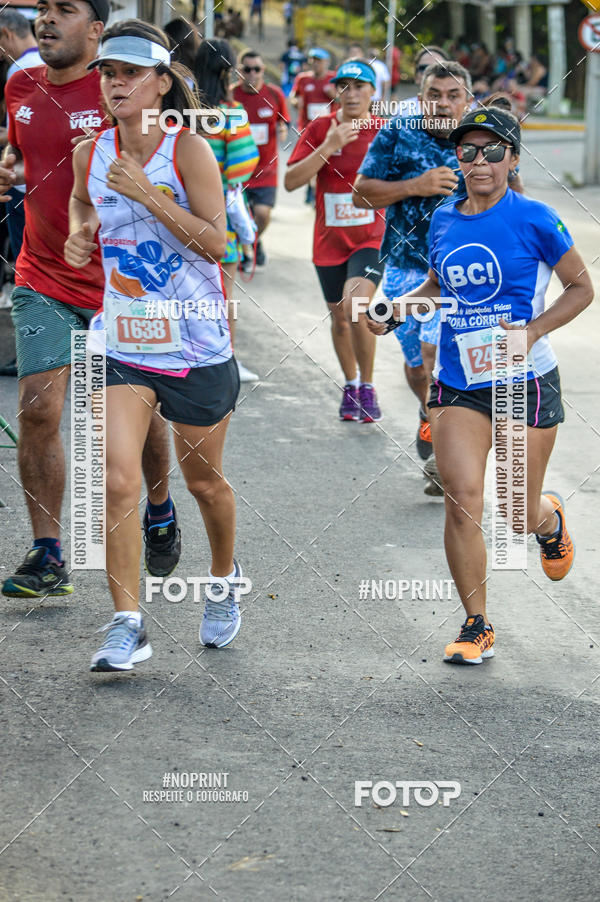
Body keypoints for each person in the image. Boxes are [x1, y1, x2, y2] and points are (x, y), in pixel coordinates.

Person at [368, 107, 593, 664]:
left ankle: (548, 520)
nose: (479, 161)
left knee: (515, 510)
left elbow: (581, 287)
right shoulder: (444, 219)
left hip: (523, 379)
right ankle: (476, 624)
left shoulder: (536, 217)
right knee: (462, 501)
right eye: (468, 150)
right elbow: (436, 287)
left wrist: (533, 329)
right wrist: (395, 311)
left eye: (493, 150)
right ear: (458, 158)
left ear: (512, 157)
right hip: (458, 380)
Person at [65, 19, 243, 670]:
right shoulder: (91, 152)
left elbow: (219, 244)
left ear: (161, 84)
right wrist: (79, 235)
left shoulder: (187, 151)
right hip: (124, 340)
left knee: (205, 484)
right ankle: (127, 622)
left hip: (195, 344)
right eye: (107, 74)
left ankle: (223, 580)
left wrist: (147, 194)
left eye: (129, 74)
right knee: (114, 481)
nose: (114, 84)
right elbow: (84, 209)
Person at [0, 0, 179, 599]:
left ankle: (159, 505)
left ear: (97, 31)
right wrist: (11, 167)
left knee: (142, 418)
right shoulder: (21, 84)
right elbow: (26, 154)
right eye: (42, 10)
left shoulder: (121, 99)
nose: (46, 20)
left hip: (122, 287)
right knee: (39, 409)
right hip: (43, 276)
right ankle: (48, 553)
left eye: (64, 10)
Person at [354, 61, 472, 491]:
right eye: (434, 95)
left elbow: (514, 194)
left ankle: (445, 460)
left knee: (435, 359)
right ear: (421, 98)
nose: (443, 103)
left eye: (453, 95)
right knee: (417, 367)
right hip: (405, 267)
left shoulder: (480, 141)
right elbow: (362, 192)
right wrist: (415, 186)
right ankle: (428, 413)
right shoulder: (397, 134)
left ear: (467, 100)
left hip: (461, 276)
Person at [285, 59, 386, 423]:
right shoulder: (321, 128)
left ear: (374, 92)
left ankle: (370, 387)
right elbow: (292, 181)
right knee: (340, 320)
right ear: (336, 91)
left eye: (360, 86)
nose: (352, 92)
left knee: (354, 306)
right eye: (345, 85)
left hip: (371, 238)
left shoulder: (384, 132)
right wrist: (328, 146)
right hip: (329, 241)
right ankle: (352, 384)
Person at [194, 38, 259, 381]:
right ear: (227, 71)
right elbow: (243, 166)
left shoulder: (179, 113)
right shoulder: (230, 115)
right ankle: (224, 359)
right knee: (224, 292)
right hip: (221, 214)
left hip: (181, 211)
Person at [0, 9, 44, 377]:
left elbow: (19, 137)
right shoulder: (44, 64)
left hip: (25, 189)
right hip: (35, 186)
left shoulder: (21, 70)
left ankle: (31, 354)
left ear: (6, 34)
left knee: (28, 273)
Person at [233, 49, 290, 268]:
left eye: (257, 69)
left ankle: (254, 241)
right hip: (238, 171)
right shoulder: (231, 96)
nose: (252, 73)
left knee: (262, 214)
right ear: (239, 71)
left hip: (266, 170)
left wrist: (283, 129)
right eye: (247, 69)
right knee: (240, 215)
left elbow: (284, 120)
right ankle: (245, 247)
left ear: (263, 70)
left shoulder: (274, 94)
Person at [394, 45, 450, 118]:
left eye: (439, 68)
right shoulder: (403, 110)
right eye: (424, 68)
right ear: (416, 76)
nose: (431, 73)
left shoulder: (464, 110)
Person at [290, 47, 335, 134]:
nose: (315, 64)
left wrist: (335, 96)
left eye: (319, 61)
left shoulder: (334, 78)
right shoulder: (302, 78)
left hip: (329, 128)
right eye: (313, 60)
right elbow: (293, 96)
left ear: (327, 62)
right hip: (307, 127)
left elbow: (343, 99)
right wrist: (295, 102)